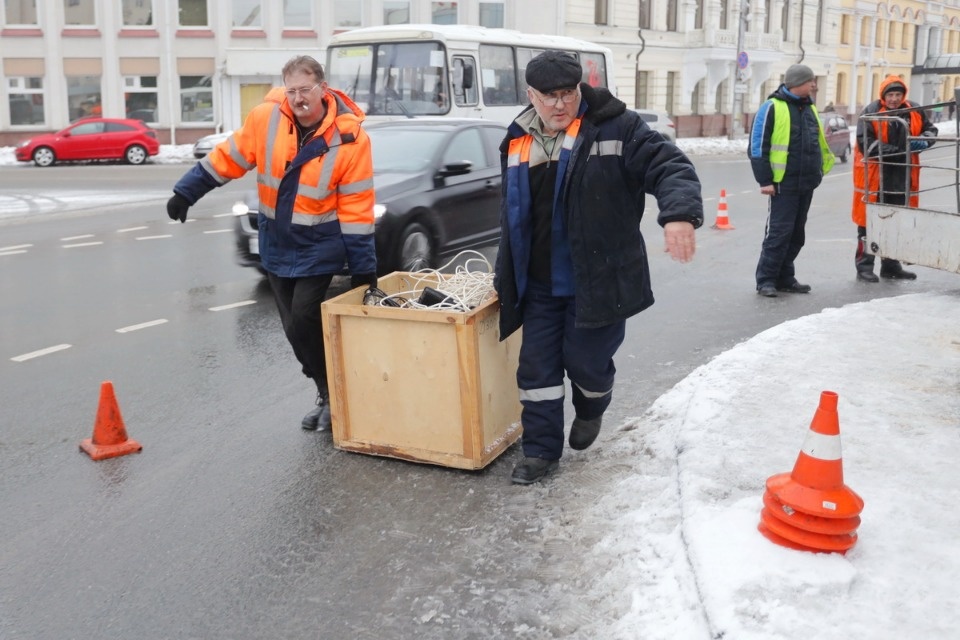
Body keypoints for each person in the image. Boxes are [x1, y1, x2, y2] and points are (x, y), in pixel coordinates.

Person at [494, 51, 703, 485]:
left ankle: (593, 404)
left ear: (579, 90)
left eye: (566, 94)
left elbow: (670, 166)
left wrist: (679, 213)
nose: (558, 105)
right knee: (536, 372)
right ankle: (541, 453)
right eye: (548, 96)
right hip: (538, 284)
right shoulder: (517, 138)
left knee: (586, 363)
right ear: (530, 95)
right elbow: (514, 215)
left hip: (598, 280)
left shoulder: (616, 127)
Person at [165, 55, 377, 431]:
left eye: (306, 90)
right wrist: (186, 192)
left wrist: (364, 266)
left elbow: (357, 203)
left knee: (304, 319)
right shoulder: (267, 119)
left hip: (319, 246)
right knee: (293, 331)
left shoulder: (349, 138)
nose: (299, 98)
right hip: (276, 243)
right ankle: (326, 392)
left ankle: (335, 397)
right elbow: (229, 157)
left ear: (323, 90)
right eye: (292, 90)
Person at [748, 64, 835, 297]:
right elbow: (757, 147)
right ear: (798, 82)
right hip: (782, 184)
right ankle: (766, 280)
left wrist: (818, 171)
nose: (813, 85)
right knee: (779, 233)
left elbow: (816, 143)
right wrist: (764, 180)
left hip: (806, 182)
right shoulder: (772, 108)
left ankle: (785, 278)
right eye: (810, 81)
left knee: (797, 234)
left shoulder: (809, 107)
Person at [851, 76, 937, 283]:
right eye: (890, 94)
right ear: (883, 95)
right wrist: (900, 152)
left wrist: (923, 140)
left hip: (902, 177)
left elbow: (931, 129)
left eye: (898, 94)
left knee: (896, 222)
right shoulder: (871, 111)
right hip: (877, 177)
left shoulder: (913, 109)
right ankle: (864, 267)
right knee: (869, 224)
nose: (894, 99)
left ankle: (891, 266)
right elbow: (866, 143)